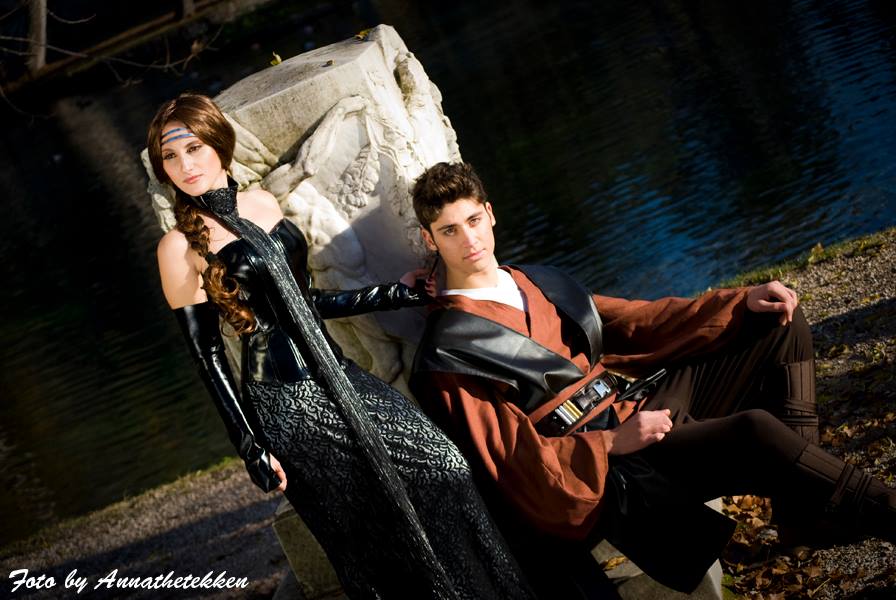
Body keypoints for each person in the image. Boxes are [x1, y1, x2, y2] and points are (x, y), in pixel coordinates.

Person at [409, 161, 896, 594]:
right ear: (431, 240)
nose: (469, 240)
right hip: (609, 466)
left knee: (778, 321)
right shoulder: (451, 349)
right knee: (755, 431)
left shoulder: (535, 280)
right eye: (450, 230)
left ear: (490, 214)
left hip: (637, 407)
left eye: (473, 221)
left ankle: (803, 516)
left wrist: (739, 300)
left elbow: (637, 320)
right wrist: (611, 444)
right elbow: (511, 458)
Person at [147, 94, 534, 600]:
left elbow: (305, 303)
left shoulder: (262, 204)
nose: (185, 165)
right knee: (371, 533)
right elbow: (207, 357)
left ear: (219, 144)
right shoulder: (177, 247)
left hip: (340, 373)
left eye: (193, 148)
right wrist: (250, 446)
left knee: (445, 466)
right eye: (170, 156)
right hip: (286, 405)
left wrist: (392, 293)